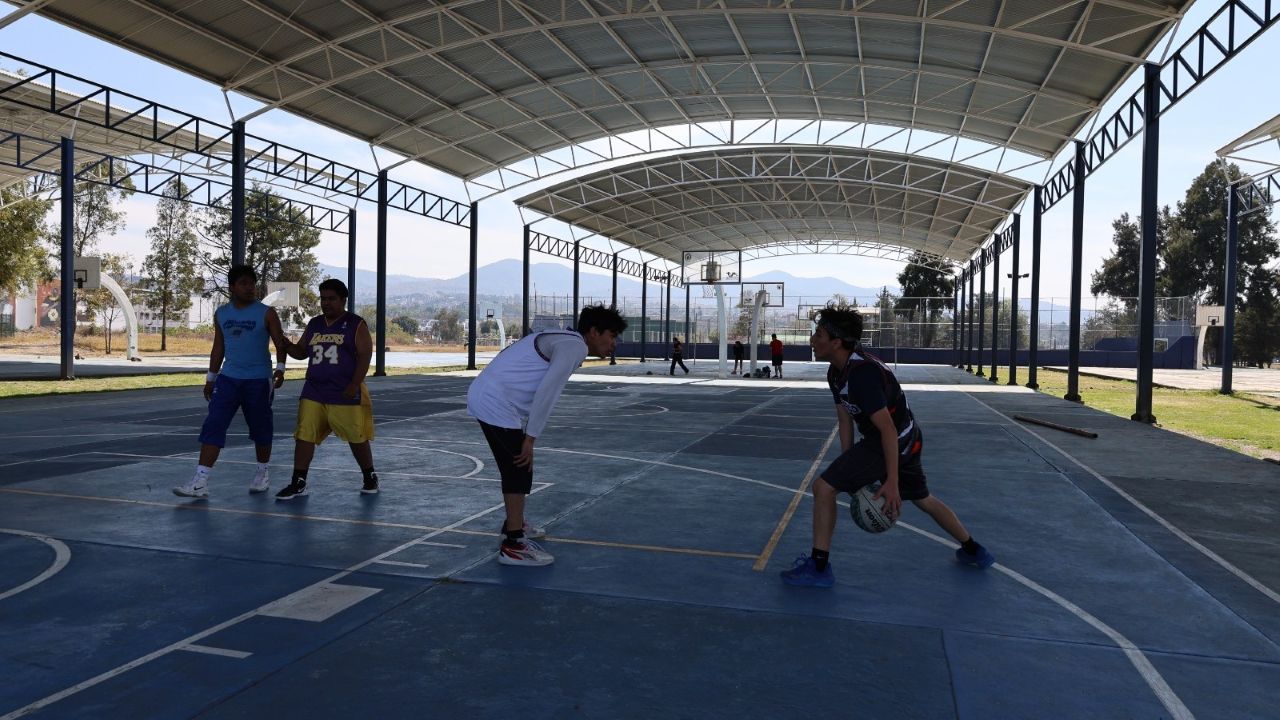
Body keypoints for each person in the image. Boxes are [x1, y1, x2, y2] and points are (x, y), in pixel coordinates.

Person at [780, 305, 995, 587]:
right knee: (923, 499)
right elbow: (845, 420)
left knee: (823, 488)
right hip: (908, 437)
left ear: (836, 342)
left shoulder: (862, 375)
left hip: (891, 440)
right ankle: (974, 549)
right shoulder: (837, 372)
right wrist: (849, 467)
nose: (812, 340)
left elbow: (887, 429)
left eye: (818, 334)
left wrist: (891, 482)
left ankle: (819, 568)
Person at [467, 304, 626, 566]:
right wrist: (530, 438)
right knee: (518, 468)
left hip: (494, 398)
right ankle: (513, 545)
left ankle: (515, 523)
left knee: (519, 467)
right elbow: (548, 391)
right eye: (612, 336)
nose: (614, 344)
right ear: (594, 332)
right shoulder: (575, 347)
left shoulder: (565, 339)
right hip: (494, 401)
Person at [174, 265, 288, 498]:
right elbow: (218, 347)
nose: (250, 288)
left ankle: (262, 473)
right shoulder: (222, 313)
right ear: (232, 287)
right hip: (228, 380)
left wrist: (280, 368)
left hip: (258, 380)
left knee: (261, 428)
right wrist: (211, 378)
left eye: (252, 283)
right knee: (214, 424)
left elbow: (280, 342)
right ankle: (200, 481)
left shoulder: (267, 313)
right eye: (244, 283)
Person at [273, 279, 378, 501]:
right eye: (323, 299)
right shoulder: (315, 324)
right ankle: (298, 482)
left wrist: (354, 384)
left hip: (344, 392)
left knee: (356, 437)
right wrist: (287, 345)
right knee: (304, 435)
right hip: (314, 390)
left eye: (331, 299)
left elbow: (365, 355)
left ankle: (369, 476)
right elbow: (302, 352)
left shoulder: (355, 324)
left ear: (343, 300)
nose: (326, 303)